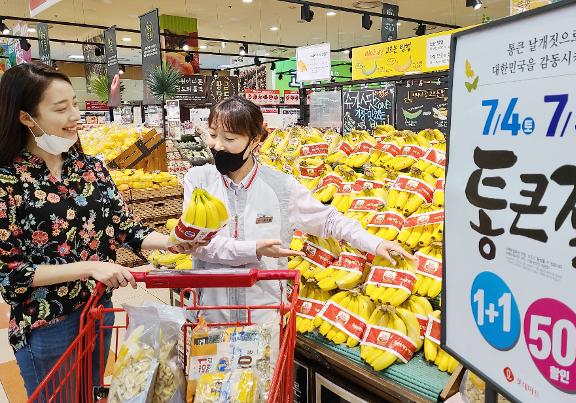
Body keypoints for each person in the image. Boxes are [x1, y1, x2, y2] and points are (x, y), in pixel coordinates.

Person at [0, 64, 293, 398]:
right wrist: (91, 268)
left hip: (97, 311)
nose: (75, 116)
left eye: (75, 104)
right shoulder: (8, 182)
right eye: (61, 108)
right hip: (46, 324)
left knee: (89, 393)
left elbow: (127, 230)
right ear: (26, 117)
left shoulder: (90, 168)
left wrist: (173, 242)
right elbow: (9, 273)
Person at [184, 96, 414, 323]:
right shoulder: (198, 181)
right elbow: (199, 245)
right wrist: (253, 249)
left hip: (262, 315)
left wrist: (375, 243)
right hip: (209, 311)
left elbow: (328, 220)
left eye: (229, 138)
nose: (217, 145)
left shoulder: (280, 186)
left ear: (254, 141)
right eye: (213, 135)